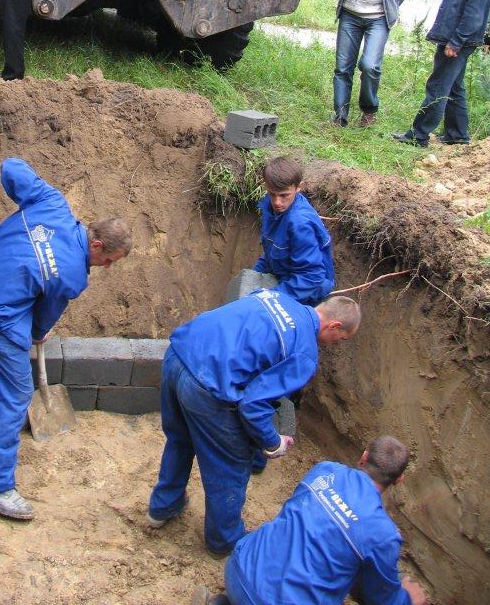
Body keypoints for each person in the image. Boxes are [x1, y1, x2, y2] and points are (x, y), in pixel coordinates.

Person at [0, 157, 132, 521]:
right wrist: (37, 334)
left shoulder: (52, 204)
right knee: (18, 390)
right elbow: (42, 323)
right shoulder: (72, 276)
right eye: (110, 260)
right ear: (96, 246)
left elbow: (10, 167)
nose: (109, 268)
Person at [147, 290, 361, 555]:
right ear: (334, 325)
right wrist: (272, 442)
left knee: (180, 440)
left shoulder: (274, 296)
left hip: (179, 355)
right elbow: (253, 405)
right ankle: (224, 541)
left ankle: (162, 508)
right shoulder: (304, 354)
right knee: (232, 463)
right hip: (205, 386)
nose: (334, 344)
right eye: (339, 340)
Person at [193, 436, 428, 605]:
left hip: (239, 569)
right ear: (399, 480)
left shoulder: (324, 471)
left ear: (363, 457)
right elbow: (383, 598)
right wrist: (408, 598)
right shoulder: (383, 535)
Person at [394, 0, 490, 147]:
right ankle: (457, 135)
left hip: (459, 39)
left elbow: (475, 13)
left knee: (437, 86)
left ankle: (419, 135)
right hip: (450, 35)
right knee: (454, 86)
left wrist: (456, 42)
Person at [253, 156, 334, 306]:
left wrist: (273, 297)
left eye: (284, 195)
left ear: (298, 188)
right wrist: (253, 275)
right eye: (272, 194)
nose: (277, 202)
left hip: (307, 293)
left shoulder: (299, 224)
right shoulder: (269, 207)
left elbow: (312, 276)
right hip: (284, 276)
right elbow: (271, 251)